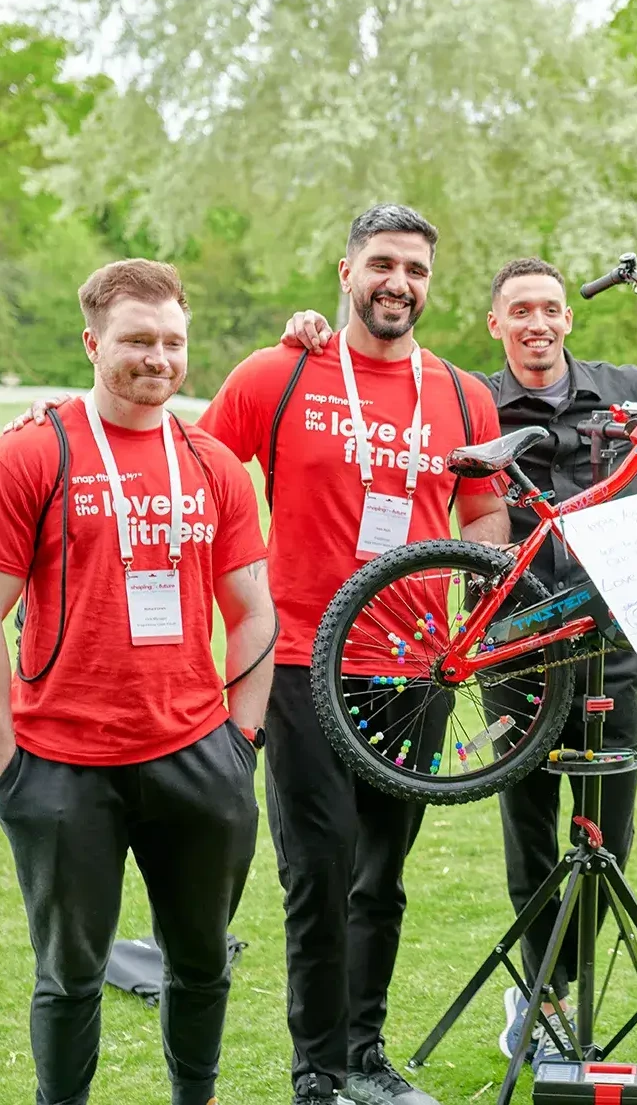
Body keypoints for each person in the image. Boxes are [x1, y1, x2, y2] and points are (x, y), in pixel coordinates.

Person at [279, 255, 637, 1066]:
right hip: (515, 655)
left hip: (612, 650)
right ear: (496, 323)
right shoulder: (475, 400)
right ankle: (545, 997)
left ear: (569, 318)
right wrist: (313, 332)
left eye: (551, 309)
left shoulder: (626, 386)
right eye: (519, 310)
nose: (537, 322)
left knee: (609, 839)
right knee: (530, 839)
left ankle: (548, 981)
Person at [204, 204, 507, 1105]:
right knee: (320, 869)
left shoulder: (461, 394)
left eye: (415, 269)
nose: (398, 283)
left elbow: (483, 513)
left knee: (381, 874)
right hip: (300, 662)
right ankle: (317, 1070)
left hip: (417, 671)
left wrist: (477, 587)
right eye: (382, 263)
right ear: (345, 273)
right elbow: (204, 486)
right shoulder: (279, 373)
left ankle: (365, 1054)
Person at [0, 259, 275, 1105]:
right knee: (70, 973)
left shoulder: (213, 462)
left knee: (199, 963)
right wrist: (9, 758)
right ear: (92, 343)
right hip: (60, 764)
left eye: (171, 342)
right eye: (136, 340)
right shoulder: (34, 453)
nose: (157, 358)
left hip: (196, 756)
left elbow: (255, 611)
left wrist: (242, 740)